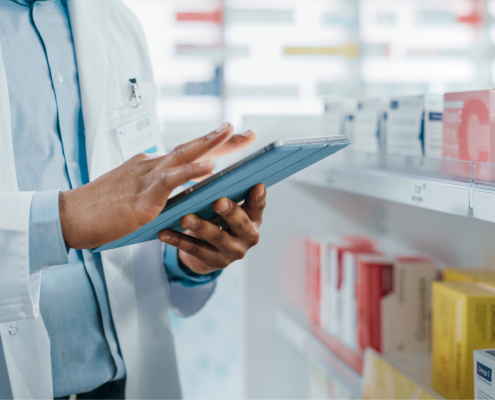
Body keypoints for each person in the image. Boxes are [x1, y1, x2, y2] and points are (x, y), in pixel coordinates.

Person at [0, 0, 267, 398]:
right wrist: (61, 219)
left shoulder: (117, 23)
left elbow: (132, 218)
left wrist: (187, 254)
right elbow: (89, 210)